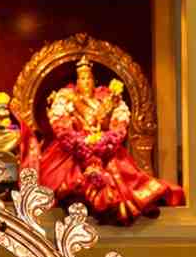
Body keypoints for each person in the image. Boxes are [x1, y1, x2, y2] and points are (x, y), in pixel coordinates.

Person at [38, 56, 182, 225]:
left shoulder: (107, 99)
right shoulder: (68, 98)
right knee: (67, 179)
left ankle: (111, 206)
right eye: (82, 78)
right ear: (77, 81)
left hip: (104, 145)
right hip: (74, 149)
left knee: (122, 178)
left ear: (94, 81)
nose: (85, 82)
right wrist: (78, 142)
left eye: (89, 78)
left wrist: (106, 139)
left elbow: (117, 124)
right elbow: (61, 126)